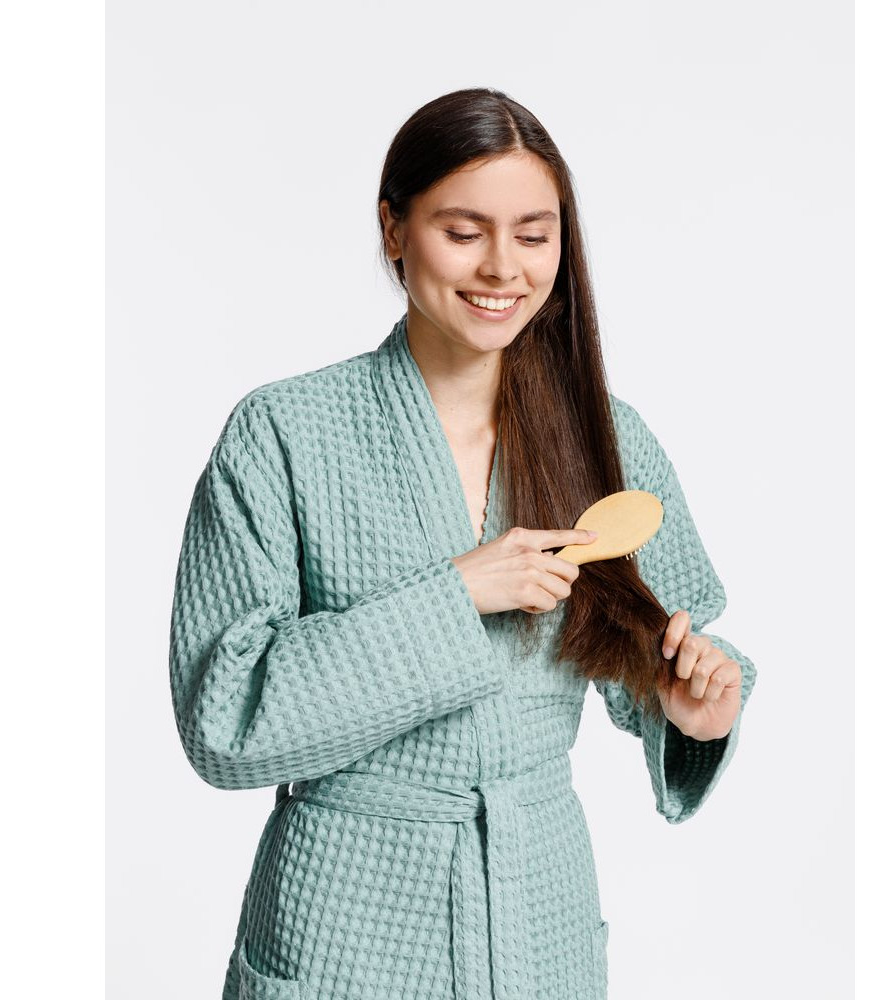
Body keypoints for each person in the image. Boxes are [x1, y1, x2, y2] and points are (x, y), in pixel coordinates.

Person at [168, 86, 757, 1000]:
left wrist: (691, 710)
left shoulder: (607, 438)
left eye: (533, 234)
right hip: (343, 925)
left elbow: (664, 650)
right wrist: (454, 597)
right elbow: (223, 721)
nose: (502, 267)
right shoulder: (282, 434)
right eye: (463, 230)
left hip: (540, 920)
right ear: (393, 229)